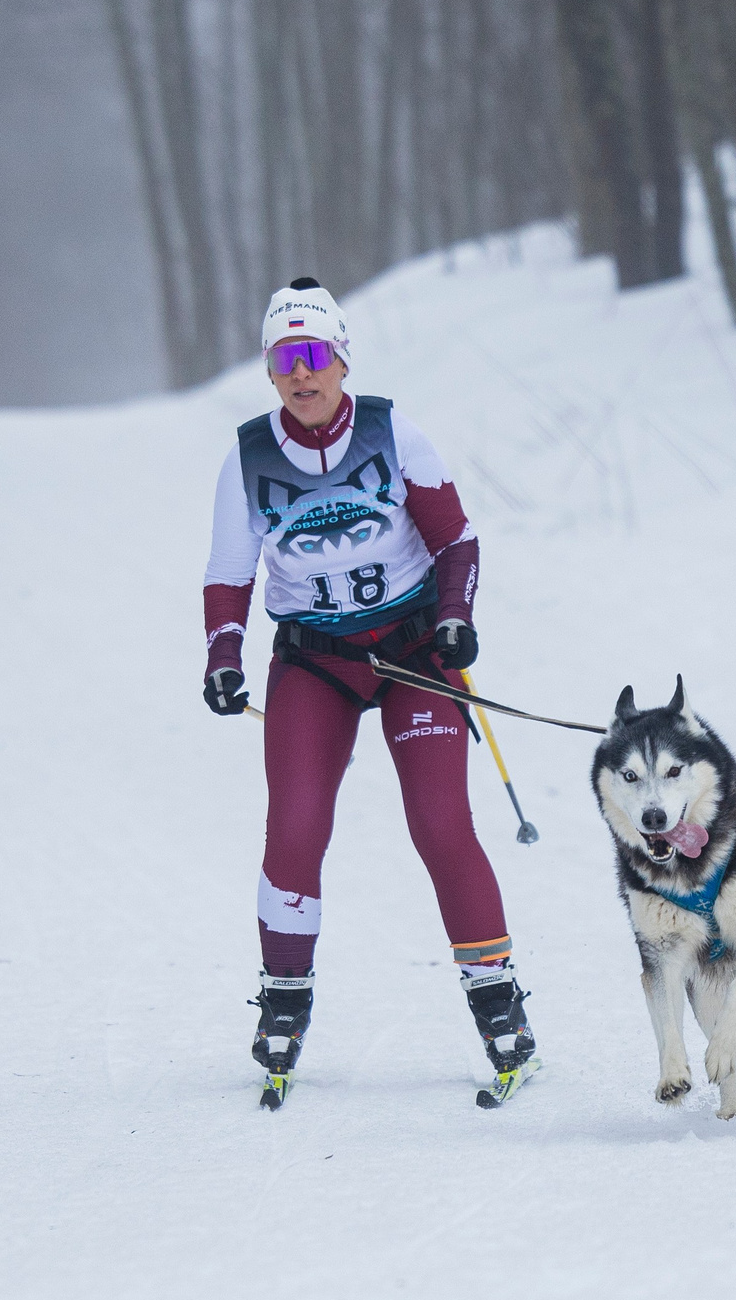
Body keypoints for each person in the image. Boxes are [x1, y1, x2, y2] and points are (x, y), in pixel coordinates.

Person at [202, 277, 535, 1107]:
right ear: (271, 372)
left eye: (315, 356)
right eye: (285, 360)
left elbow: (456, 539)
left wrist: (456, 619)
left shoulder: (393, 432)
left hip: (415, 649)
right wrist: (223, 655)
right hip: (315, 661)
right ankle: (284, 999)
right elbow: (227, 572)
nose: (301, 375)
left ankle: (500, 1003)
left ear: (342, 360)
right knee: (297, 825)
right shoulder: (248, 457)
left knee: (439, 821)